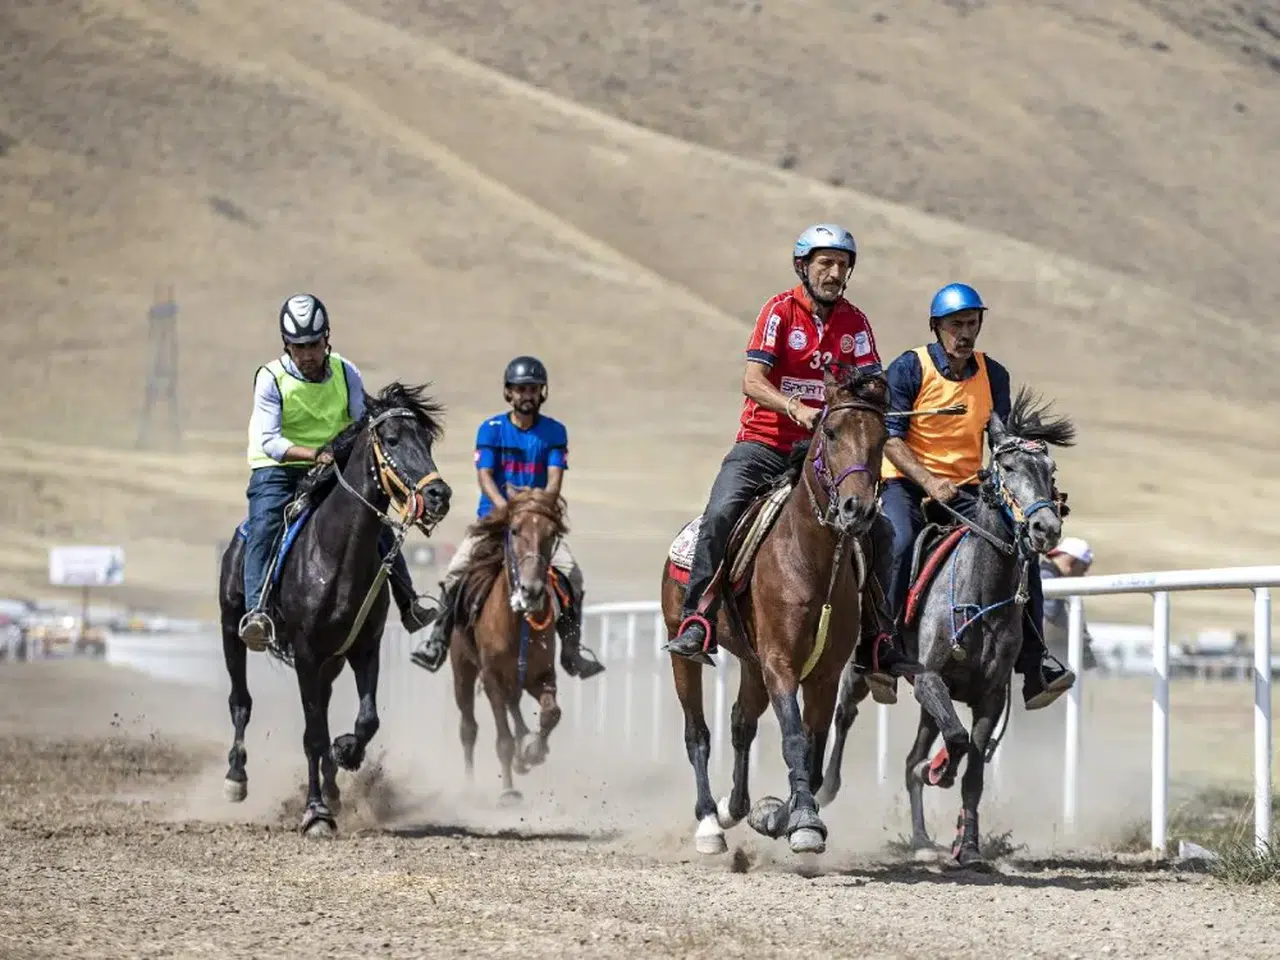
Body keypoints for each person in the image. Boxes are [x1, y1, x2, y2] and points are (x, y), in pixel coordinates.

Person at [662, 223, 919, 696]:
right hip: (764, 445)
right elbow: (753, 380)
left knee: (879, 529)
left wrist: (862, 397)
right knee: (721, 512)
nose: (834, 272)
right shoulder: (779, 313)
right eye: (825, 262)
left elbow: (873, 383)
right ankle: (698, 618)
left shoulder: (856, 323)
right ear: (804, 266)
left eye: (842, 265)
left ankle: (877, 638)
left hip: (825, 454)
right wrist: (794, 407)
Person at [880, 282, 1075, 709]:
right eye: (956, 325)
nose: (965, 333)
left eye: (972, 323)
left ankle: (1034, 661)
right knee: (898, 542)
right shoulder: (909, 368)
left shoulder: (994, 374)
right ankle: (882, 647)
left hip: (967, 488)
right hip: (907, 483)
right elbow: (890, 439)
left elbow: (1002, 441)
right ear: (936, 327)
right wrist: (929, 482)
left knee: (1020, 548)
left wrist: (1034, 491)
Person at [239, 293, 433, 651]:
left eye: (314, 344)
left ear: (327, 337)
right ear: (287, 345)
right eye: (299, 347)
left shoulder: (346, 372)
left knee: (372, 516)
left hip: (332, 460)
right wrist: (314, 454)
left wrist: (342, 452)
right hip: (278, 468)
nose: (308, 354)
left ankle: (409, 604)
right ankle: (257, 613)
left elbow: (361, 420)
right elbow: (270, 441)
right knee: (265, 524)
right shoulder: (270, 378)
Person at [409, 356, 605, 679]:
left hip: (537, 526)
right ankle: (437, 641)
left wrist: (534, 509)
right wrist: (506, 509)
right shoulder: (491, 430)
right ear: (508, 393)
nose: (526, 395)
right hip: (494, 521)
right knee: (455, 570)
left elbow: (554, 480)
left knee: (573, 575)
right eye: (519, 389)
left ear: (542, 393)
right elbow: (485, 475)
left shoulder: (555, 432)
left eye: (532, 388)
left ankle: (572, 651)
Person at [1041, 536, 1097, 669]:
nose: (1082, 576)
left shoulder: (1046, 578)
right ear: (1071, 563)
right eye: (1083, 569)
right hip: (1048, 658)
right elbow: (1051, 615)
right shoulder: (1048, 581)